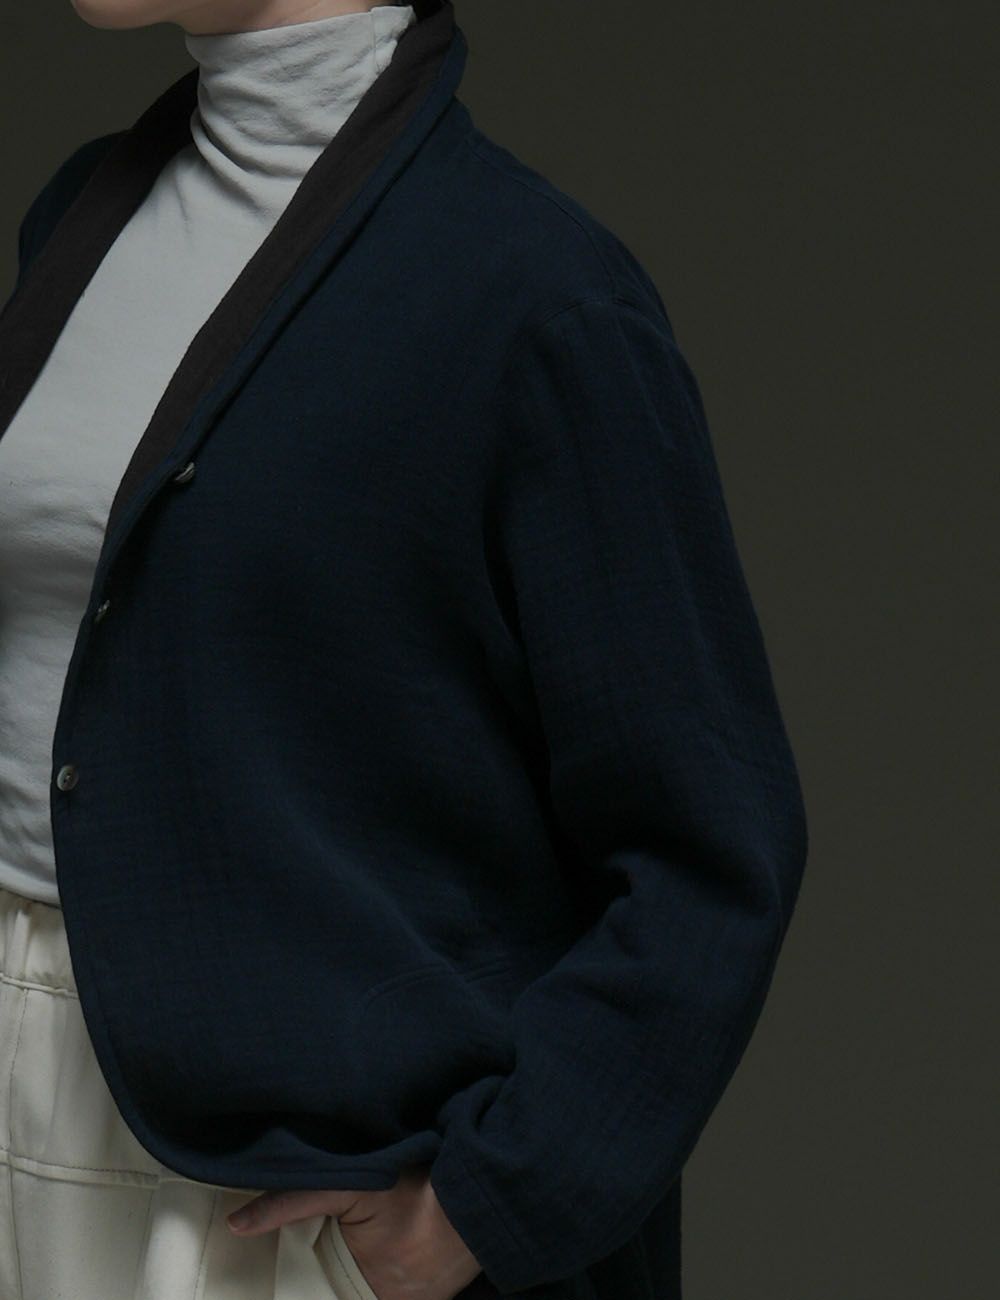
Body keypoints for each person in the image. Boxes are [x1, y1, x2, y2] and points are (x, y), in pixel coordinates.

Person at [0, 1, 809, 1298]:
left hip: (264, 1187)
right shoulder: (82, 215)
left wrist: (495, 1200)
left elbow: (712, 848)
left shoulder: (535, 292)